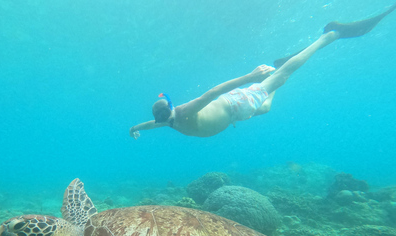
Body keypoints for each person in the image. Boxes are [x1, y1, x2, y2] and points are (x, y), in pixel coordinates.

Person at [129, 3, 396, 139]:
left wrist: (251, 77)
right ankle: (276, 73)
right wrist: (135, 129)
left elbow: (212, 93)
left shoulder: (183, 112)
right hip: (238, 107)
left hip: (236, 104)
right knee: (266, 106)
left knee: (281, 77)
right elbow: (149, 124)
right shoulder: (167, 120)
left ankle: (329, 37)